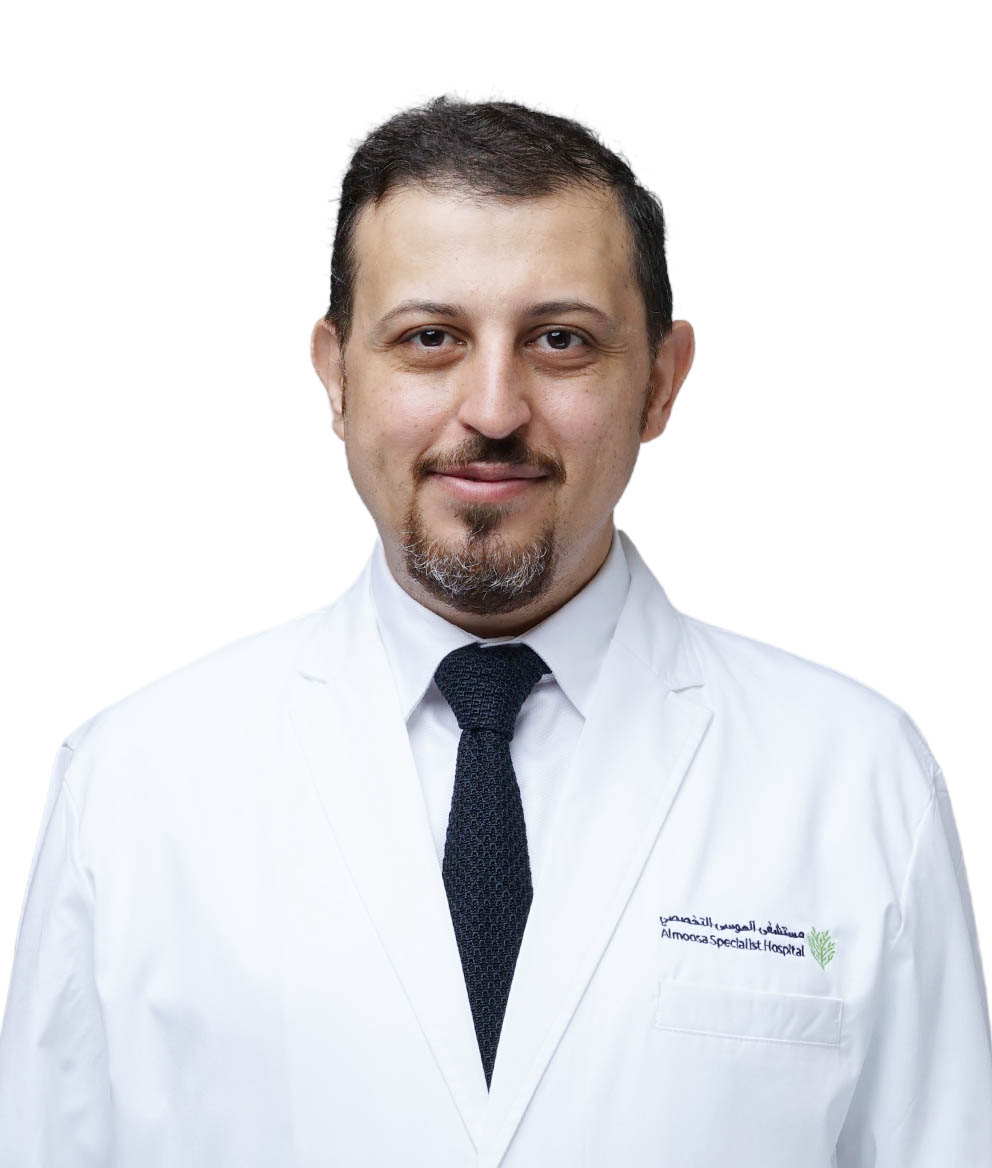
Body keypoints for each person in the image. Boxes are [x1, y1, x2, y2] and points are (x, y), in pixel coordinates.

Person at [1, 93, 990, 1167]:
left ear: (659, 381)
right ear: (337, 375)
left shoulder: (854, 781)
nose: (492, 409)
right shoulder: (135, 786)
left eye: (560, 341)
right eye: (429, 339)